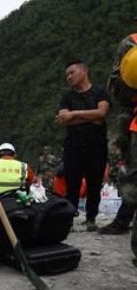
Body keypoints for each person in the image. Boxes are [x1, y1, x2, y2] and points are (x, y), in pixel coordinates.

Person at [56, 60, 111, 232]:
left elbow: (102, 113)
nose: (69, 77)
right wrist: (91, 117)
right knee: (72, 184)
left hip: (97, 146)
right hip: (73, 146)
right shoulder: (67, 97)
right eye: (67, 75)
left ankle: (91, 218)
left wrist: (75, 114)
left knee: (95, 183)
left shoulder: (100, 91)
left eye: (72, 72)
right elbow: (64, 120)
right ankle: (69, 220)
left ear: (84, 71)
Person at [107, 24, 137, 247]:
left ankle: (123, 220)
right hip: (131, 116)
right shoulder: (131, 44)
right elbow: (117, 87)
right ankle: (123, 219)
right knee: (130, 171)